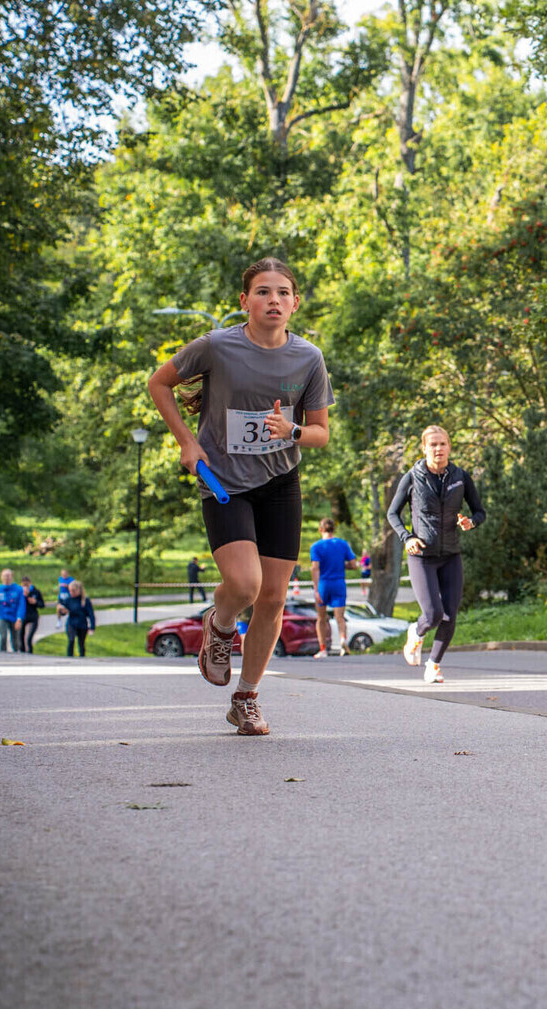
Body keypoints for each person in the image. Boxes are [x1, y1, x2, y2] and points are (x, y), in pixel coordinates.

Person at [147, 257, 334, 736]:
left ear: (295, 302)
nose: (274, 300)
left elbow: (320, 432)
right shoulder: (217, 346)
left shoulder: (308, 357)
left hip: (280, 482)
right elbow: (159, 383)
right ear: (245, 301)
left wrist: (292, 430)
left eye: (283, 292)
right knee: (246, 585)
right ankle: (221, 620)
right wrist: (188, 444)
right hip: (224, 482)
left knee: (272, 596)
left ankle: (246, 698)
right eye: (263, 291)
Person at [387, 425, 484, 683]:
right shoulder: (412, 477)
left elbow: (479, 511)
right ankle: (416, 633)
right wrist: (407, 537)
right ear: (424, 448)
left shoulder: (461, 477)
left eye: (442, 444)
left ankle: (433, 665)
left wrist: (471, 522)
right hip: (422, 555)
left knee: (450, 614)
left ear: (449, 447)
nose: (438, 449)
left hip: (451, 554)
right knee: (432, 614)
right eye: (433, 444)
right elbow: (392, 513)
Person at [309, 517, 358, 657]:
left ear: (320, 529)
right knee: (340, 617)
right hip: (339, 583)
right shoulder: (343, 544)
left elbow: (315, 567)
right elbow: (354, 565)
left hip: (323, 584)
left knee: (321, 618)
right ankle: (343, 640)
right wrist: (340, 565)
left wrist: (316, 588)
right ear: (333, 529)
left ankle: (323, 649)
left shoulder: (316, 546)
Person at [60, 579, 95, 657]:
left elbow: (91, 614)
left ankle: (82, 658)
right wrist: (62, 611)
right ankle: (69, 658)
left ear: (79, 590)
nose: (71, 593)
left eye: (73, 591)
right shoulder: (69, 600)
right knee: (71, 640)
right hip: (71, 623)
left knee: (81, 644)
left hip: (82, 624)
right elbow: (63, 610)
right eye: (70, 591)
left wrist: (92, 627)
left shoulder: (85, 600)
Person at [19, 575, 45, 653]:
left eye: (27, 585)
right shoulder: (19, 592)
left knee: (29, 638)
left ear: (30, 583)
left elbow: (42, 605)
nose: (25, 587)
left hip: (33, 617)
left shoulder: (36, 592)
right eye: (24, 585)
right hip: (22, 616)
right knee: (21, 637)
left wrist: (35, 602)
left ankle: (30, 653)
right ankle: (22, 653)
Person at [0, 570, 21, 653]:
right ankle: (2, 653)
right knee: (3, 636)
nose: (6, 577)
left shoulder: (18, 589)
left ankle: (17, 652)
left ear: (12, 577)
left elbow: (21, 605)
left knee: (15, 638)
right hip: (2, 616)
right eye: (4, 575)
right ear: (1, 577)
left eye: (8, 575)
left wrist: (19, 618)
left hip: (14, 616)